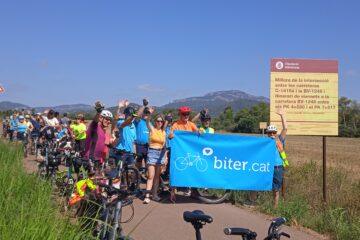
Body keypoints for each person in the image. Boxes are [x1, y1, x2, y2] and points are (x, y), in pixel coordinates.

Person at [168, 106, 198, 201]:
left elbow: (197, 133)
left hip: (189, 152)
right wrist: (171, 135)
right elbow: (170, 135)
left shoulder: (192, 124)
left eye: (187, 114)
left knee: (193, 169)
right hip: (179, 152)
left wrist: (200, 132)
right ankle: (172, 192)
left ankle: (193, 191)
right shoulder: (176, 125)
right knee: (175, 170)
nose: (186, 116)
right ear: (180, 115)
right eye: (184, 114)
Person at [143, 109, 167, 204]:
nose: (159, 123)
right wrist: (150, 114)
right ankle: (147, 196)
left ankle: (155, 195)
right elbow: (147, 121)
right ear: (155, 121)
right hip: (152, 153)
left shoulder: (164, 132)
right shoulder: (152, 129)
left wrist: (165, 158)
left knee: (157, 177)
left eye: (161, 121)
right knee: (151, 176)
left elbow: (164, 146)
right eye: (158, 121)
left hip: (160, 154)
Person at [83, 101, 113, 175]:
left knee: (98, 183)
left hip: (99, 160)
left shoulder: (103, 131)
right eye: (106, 119)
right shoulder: (94, 127)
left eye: (110, 120)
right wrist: (99, 111)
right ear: (100, 118)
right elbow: (95, 121)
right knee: (92, 182)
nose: (108, 121)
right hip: (90, 160)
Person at [266, 108, 288, 208]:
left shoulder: (280, 139)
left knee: (276, 189)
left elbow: (285, 129)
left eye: (273, 132)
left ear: (276, 133)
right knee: (265, 185)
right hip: (266, 167)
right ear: (267, 133)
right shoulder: (265, 143)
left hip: (278, 167)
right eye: (270, 133)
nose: (272, 134)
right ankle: (255, 201)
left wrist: (282, 116)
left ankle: (275, 207)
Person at [134, 99, 150, 170]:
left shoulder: (149, 123)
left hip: (147, 145)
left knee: (148, 162)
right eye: (145, 112)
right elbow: (137, 115)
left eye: (147, 113)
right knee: (139, 160)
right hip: (139, 144)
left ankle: (146, 176)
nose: (146, 114)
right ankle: (137, 176)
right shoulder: (139, 121)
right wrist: (144, 106)